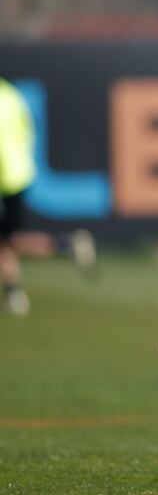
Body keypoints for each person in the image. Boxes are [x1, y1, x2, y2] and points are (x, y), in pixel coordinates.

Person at [0, 78, 96, 316]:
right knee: (7, 239)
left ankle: (65, 246)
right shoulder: (12, 95)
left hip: (5, 173)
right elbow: (28, 130)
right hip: (18, 172)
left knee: (10, 240)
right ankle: (14, 292)